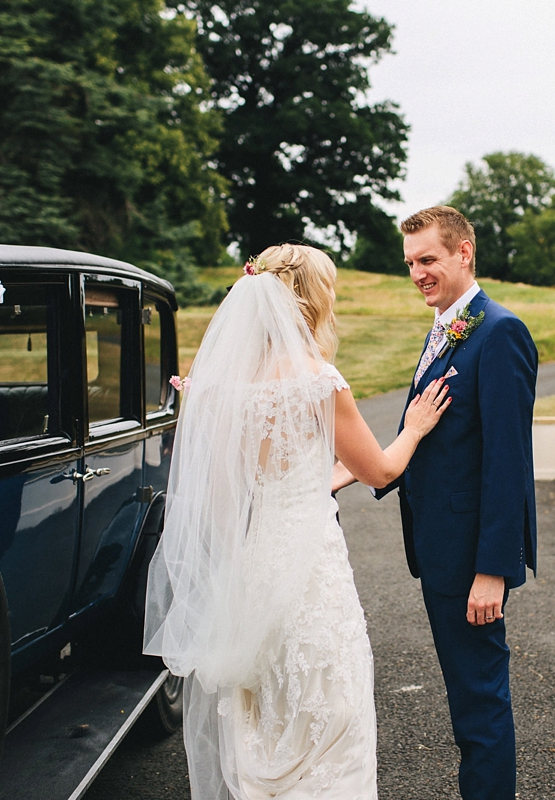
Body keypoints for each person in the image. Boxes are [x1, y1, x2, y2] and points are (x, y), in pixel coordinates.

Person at [144, 243, 450, 799]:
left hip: (254, 565)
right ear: (311, 298)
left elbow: (223, 498)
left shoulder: (222, 386)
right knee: (331, 711)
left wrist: (316, 481)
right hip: (310, 572)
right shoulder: (317, 380)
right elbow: (380, 471)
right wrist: (415, 427)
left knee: (264, 717)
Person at [334, 206, 538, 800]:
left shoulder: (499, 332)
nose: (418, 273)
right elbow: (431, 434)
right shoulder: (447, 326)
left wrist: (493, 571)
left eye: (429, 260)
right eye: (410, 264)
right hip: (439, 551)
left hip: (471, 561)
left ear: (464, 252)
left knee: (479, 706)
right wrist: (351, 472)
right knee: (467, 701)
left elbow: (508, 462)